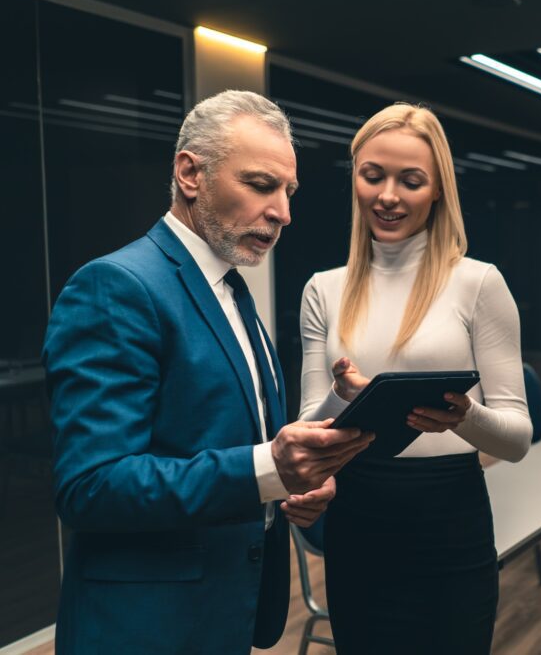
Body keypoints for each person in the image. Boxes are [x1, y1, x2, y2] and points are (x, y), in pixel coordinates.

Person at [43, 91, 373, 654]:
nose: (283, 213)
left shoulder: (231, 288)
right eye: (261, 185)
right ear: (190, 174)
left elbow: (232, 436)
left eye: (288, 192)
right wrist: (269, 469)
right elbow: (91, 486)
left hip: (224, 611)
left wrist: (299, 475)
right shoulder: (116, 287)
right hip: (145, 629)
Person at [298, 103, 532, 653]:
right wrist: (341, 396)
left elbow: (517, 439)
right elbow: (309, 428)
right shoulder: (323, 289)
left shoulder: (479, 284)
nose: (388, 196)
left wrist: (464, 417)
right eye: (372, 175)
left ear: (438, 190)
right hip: (357, 516)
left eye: (410, 180)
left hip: (450, 519)